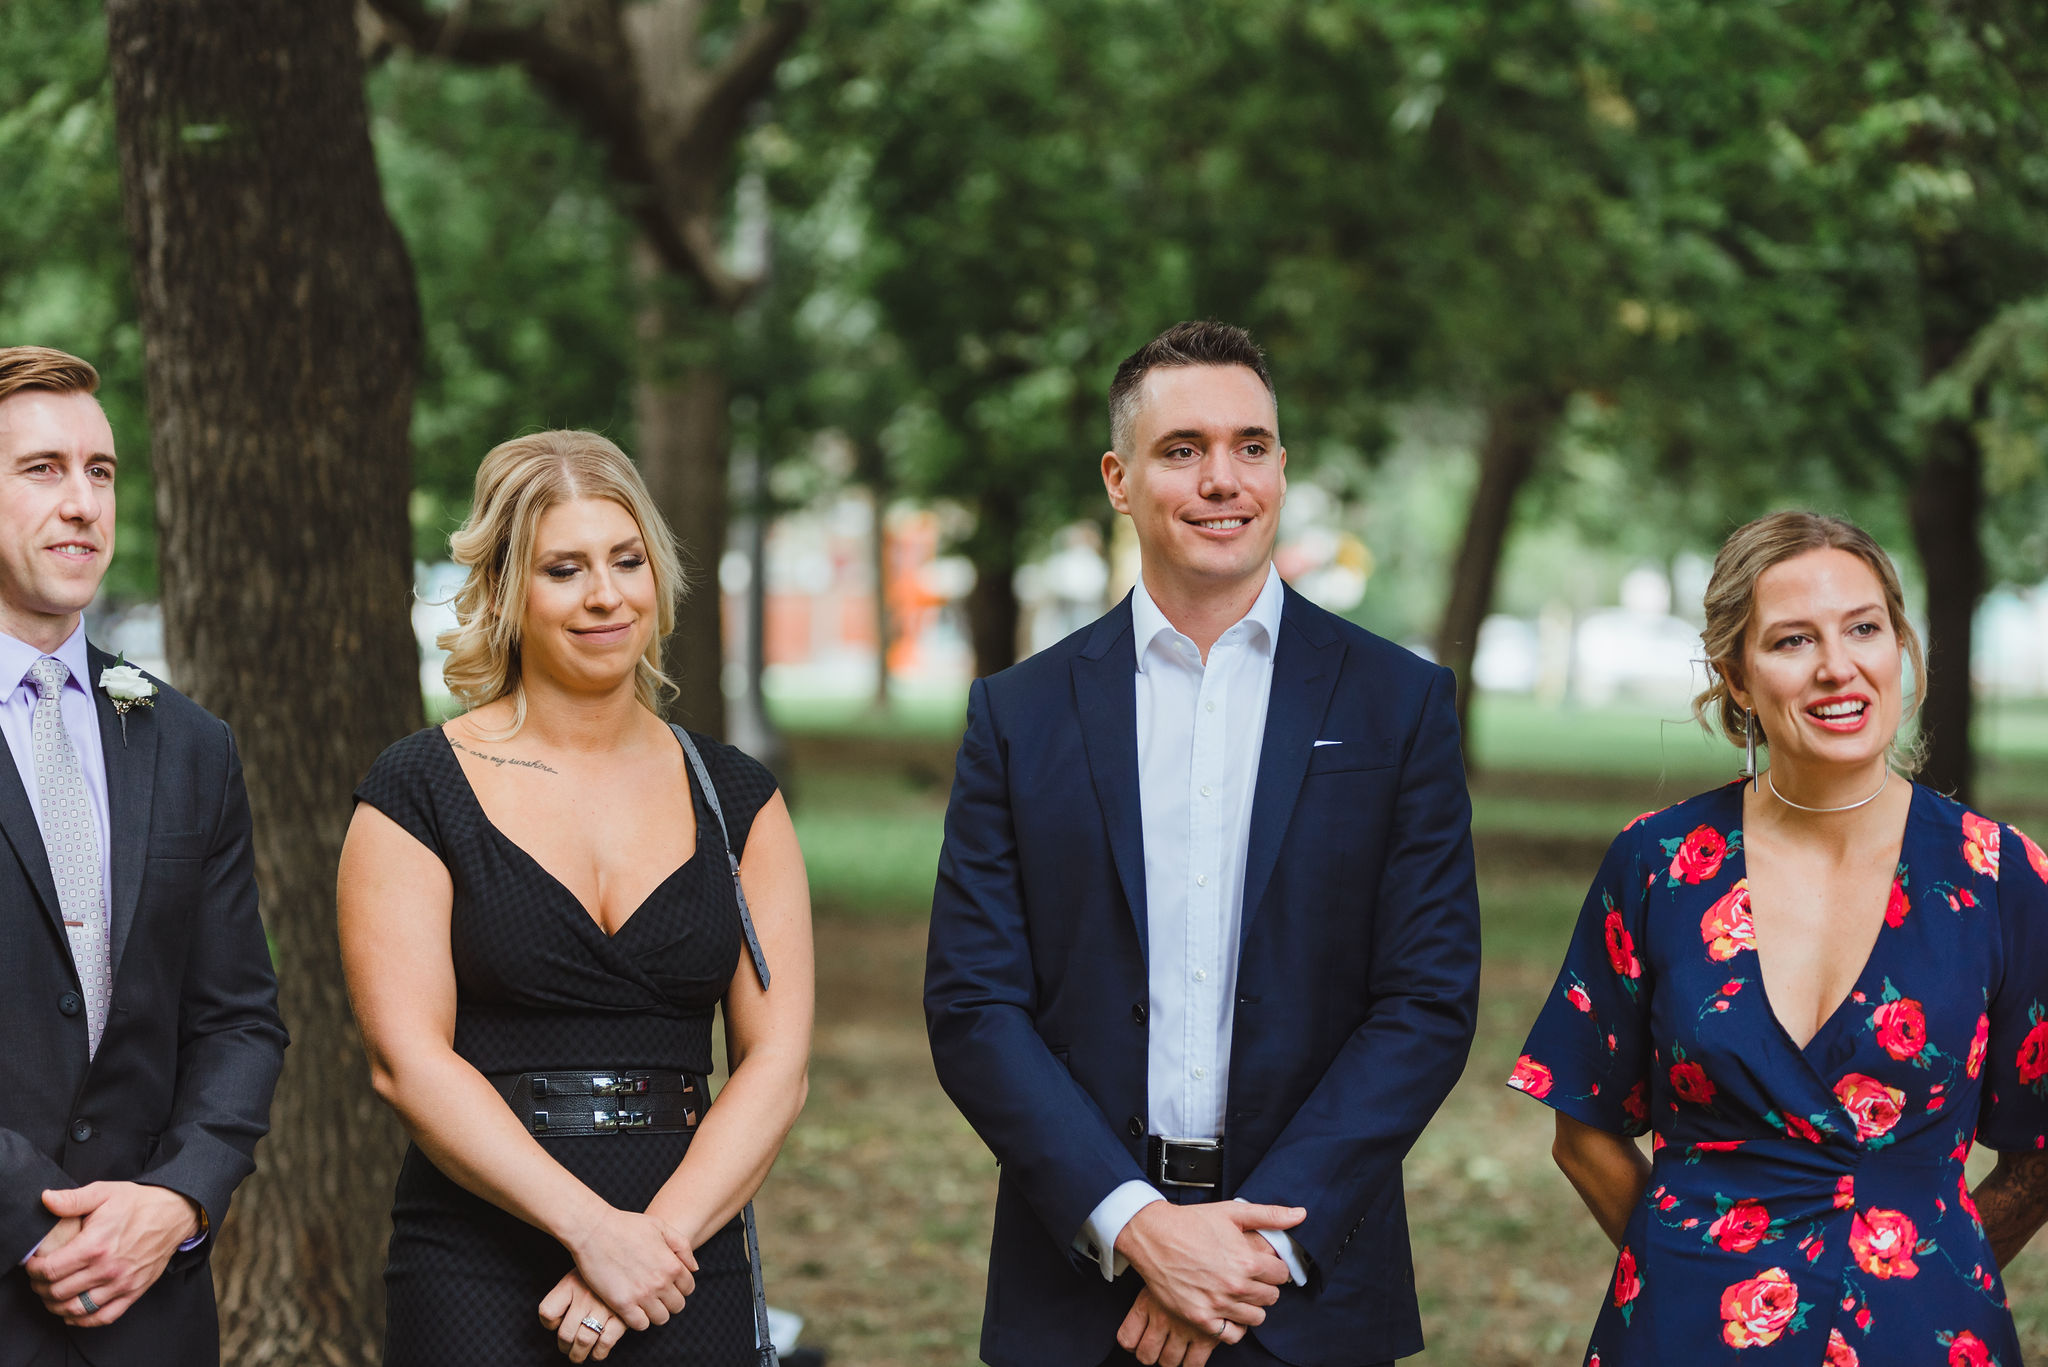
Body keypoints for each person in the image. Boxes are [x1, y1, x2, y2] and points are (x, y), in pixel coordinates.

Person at [925, 321, 1482, 1367]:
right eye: (1181, 448)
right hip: (1078, 1283)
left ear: (1280, 465)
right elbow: (973, 1003)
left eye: (1251, 446)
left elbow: (1425, 1000)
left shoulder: (1397, 704)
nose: (1221, 479)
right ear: (1118, 478)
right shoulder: (1019, 713)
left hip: (1305, 1284)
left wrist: (1250, 1247)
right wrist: (1138, 1224)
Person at [1511, 510, 2048, 1365]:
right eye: (1793, 640)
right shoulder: (1658, 863)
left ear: (1900, 643)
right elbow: (1582, 1129)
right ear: (1735, 673)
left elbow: (2040, 1150)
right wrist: (1691, 1260)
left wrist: (1924, 1263)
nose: (1839, 667)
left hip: (1926, 1337)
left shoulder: (2001, 874)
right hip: (1686, 1332)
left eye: (1864, 628)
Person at [339, 430, 813, 1366]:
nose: (606, 595)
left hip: (687, 1250)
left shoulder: (739, 797)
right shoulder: (417, 789)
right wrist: (593, 1233)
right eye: (564, 569)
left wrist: (652, 1242)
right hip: (476, 1251)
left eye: (626, 560)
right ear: (508, 591)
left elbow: (777, 1063)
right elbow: (407, 1060)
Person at [0, 346, 287, 1367]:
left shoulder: (188, 741)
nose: (81, 502)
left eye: (101, 471)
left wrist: (176, 1198)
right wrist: (29, 1224)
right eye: (42, 469)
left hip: (149, 1311)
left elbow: (239, 1016)